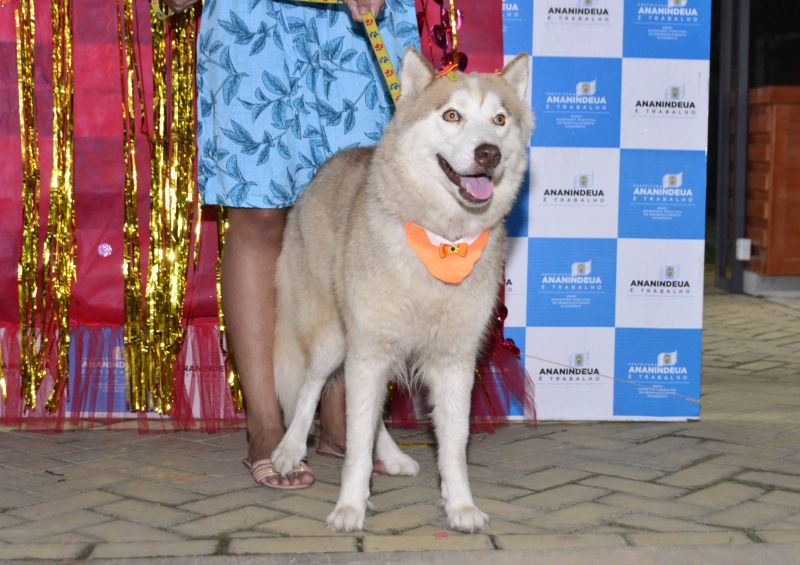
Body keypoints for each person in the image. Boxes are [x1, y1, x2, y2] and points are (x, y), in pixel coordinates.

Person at [192, 0, 420, 488]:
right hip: (252, 18)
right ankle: (265, 424)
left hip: (354, 25)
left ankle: (349, 419)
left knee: (356, 204)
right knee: (257, 210)